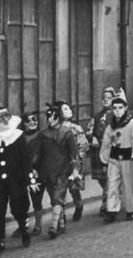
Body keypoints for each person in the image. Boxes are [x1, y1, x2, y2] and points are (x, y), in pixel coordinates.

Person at [0, 97, 34, 253]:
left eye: (7, 117)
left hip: (16, 180)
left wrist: (29, 179)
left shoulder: (17, 137)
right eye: (1, 119)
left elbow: (26, 160)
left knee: (18, 207)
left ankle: (24, 231)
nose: (5, 121)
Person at [33, 103, 78, 239]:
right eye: (48, 117)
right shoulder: (43, 135)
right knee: (54, 197)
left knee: (58, 196)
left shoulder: (67, 133)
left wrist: (75, 169)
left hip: (62, 170)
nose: (51, 120)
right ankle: (61, 222)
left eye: (54, 117)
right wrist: (34, 168)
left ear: (58, 117)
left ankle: (53, 225)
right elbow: (37, 153)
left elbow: (73, 153)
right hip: (47, 171)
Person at [100, 90, 133, 223]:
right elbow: (106, 142)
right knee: (112, 184)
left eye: (120, 108)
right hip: (114, 158)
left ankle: (130, 209)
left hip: (128, 158)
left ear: (125, 108)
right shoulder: (111, 125)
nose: (117, 111)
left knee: (128, 184)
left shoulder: (132, 124)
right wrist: (104, 158)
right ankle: (112, 210)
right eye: (114, 108)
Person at [56, 101, 89, 222]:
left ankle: (78, 205)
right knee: (60, 188)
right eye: (65, 109)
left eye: (69, 108)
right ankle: (60, 213)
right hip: (60, 161)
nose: (69, 110)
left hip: (74, 160)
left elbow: (83, 144)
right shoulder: (56, 127)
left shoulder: (76, 128)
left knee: (74, 187)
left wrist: (78, 157)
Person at [86, 87, 115, 216]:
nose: (105, 101)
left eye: (109, 98)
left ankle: (107, 202)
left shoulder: (116, 115)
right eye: (104, 98)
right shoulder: (97, 116)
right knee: (102, 178)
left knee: (110, 176)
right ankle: (107, 195)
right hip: (98, 150)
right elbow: (89, 129)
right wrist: (92, 138)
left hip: (111, 150)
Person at [20, 112, 44, 236]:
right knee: (21, 200)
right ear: (23, 124)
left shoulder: (41, 136)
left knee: (36, 199)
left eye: (34, 120)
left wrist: (35, 168)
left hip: (37, 171)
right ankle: (22, 225)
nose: (32, 123)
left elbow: (42, 154)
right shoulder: (20, 137)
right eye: (28, 121)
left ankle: (38, 225)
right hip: (23, 171)